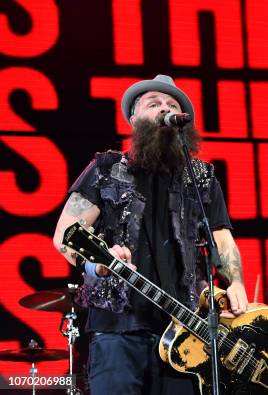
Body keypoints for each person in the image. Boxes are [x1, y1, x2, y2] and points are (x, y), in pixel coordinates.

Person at [52, 75, 249, 395]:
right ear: (133, 118)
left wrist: (236, 280)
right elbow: (66, 235)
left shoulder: (201, 177)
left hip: (186, 333)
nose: (165, 109)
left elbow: (221, 239)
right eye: (153, 104)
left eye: (172, 106)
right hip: (118, 328)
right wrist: (100, 262)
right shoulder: (106, 168)